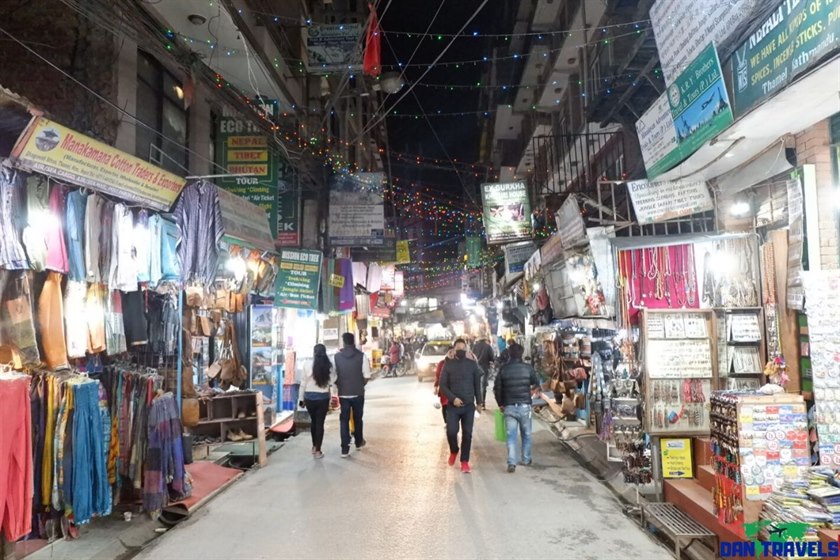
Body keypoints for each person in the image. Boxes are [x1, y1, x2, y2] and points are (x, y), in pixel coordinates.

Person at [494, 343, 540, 473]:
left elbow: (497, 389)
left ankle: (511, 462)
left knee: (511, 436)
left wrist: (500, 404)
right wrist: (531, 392)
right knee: (526, 434)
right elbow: (536, 384)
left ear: (509, 354)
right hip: (525, 406)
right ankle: (526, 459)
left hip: (509, 406)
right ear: (521, 354)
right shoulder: (528, 368)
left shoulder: (503, 369)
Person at [439, 338, 484, 473]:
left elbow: (477, 384)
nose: (460, 350)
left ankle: (464, 461)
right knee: (451, 431)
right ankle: (454, 450)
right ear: (453, 349)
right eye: (458, 348)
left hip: (469, 405)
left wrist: (479, 402)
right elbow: (442, 385)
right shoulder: (448, 364)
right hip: (453, 406)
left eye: (462, 348)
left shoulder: (472, 364)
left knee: (468, 434)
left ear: (466, 349)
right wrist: (453, 399)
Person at [334, 332, 372, 457]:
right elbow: (367, 376)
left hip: (344, 394)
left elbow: (333, 376)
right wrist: (359, 385)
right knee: (358, 418)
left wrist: (340, 385)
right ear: (353, 341)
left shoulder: (337, 357)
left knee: (344, 420)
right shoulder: (362, 356)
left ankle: (344, 449)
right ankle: (358, 442)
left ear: (344, 342)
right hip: (358, 393)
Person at [299, 344, 336, 459]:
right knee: (320, 423)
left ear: (314, 353)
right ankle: (318, 451)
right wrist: (333, 396)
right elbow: (332, 381)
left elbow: (303, 383)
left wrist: (301, 399)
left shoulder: (307, 364)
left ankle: (314, 446)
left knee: (314, 422)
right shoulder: (329, 366)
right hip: (323, 398)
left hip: (309, 397)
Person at [472, 337, 495, 410]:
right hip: (484, 367)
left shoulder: (475, 346)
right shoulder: (488, 346)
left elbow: (471, 356)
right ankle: (482, 403)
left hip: (475, 367)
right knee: (483, 386)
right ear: (485, 340)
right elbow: (492, 357)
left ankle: (476, 402)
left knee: (475, 385)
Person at [433, 345, 454, 426]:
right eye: (450, 352)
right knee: (445, 405)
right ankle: (446, 421)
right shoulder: (442, 363)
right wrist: (435, 387)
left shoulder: (458, 363)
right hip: (444, 389)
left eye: (453, 352)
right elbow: (437, 376)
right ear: (447, 353)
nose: (452, 354)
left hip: (454, 388)